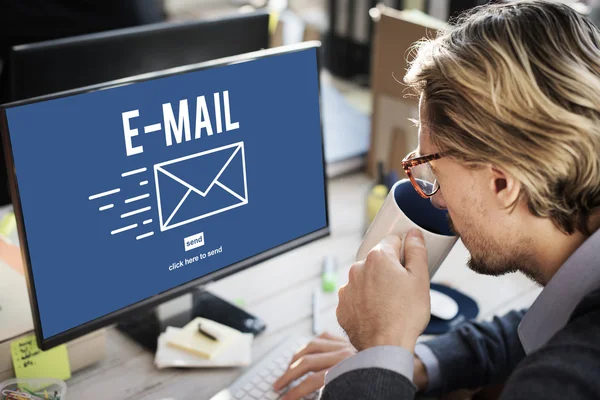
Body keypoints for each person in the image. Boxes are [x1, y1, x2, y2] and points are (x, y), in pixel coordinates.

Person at [273, 0, 600, 398]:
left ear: (503, 185)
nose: (436, 199)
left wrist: (380, 348)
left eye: (432, 170)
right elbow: (539, 327)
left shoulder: (568, 382)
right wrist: (411, 362)